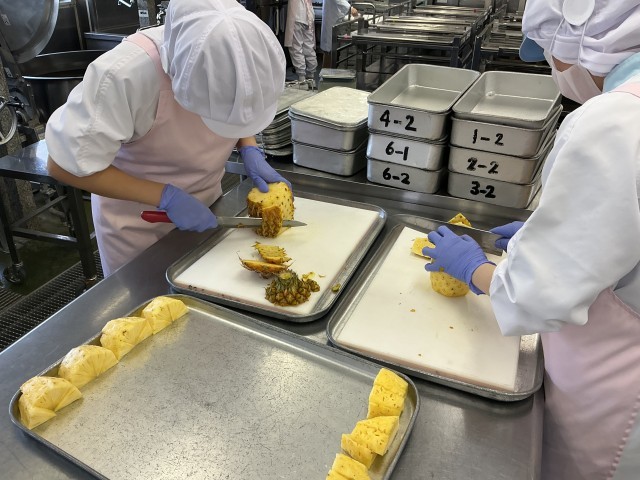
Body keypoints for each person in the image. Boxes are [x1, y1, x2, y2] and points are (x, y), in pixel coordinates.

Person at [422, 0, 640, 478]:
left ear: (584, 36)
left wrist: (474, 268)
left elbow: (535, 298)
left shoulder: (616, 120)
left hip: (612, 396)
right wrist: (552, 242)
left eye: (549, 49)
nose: (550, 65)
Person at [45, 0, 289, 277]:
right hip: (138, 227)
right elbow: (61, 165)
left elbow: (238, 100)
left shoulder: (240, 46)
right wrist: (165, 197)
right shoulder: (122, 75)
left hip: (208, 209)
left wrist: (249, 147)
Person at [284, 0, 318, 84]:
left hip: (297, 15)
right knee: (309, 46)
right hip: (309, 14)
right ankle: (311, 77)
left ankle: (302, 78)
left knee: (296, 47)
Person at [320, 0, 358, 68]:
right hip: (332, 18)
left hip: (335, 17)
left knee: (331, 49)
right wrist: (350, 8)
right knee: (329, 50)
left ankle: (329, 72)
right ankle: (326, 73)